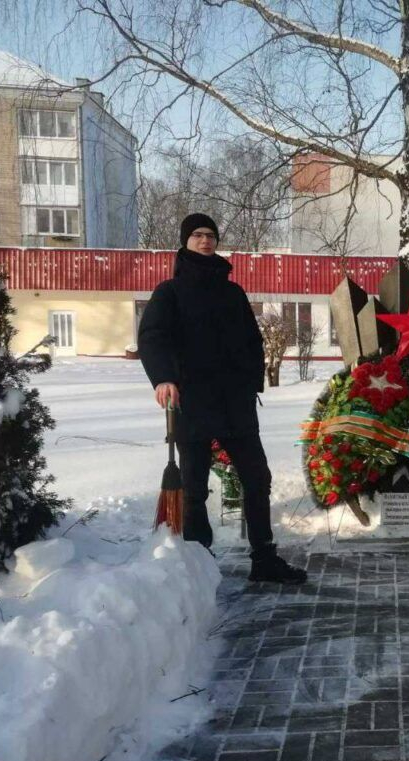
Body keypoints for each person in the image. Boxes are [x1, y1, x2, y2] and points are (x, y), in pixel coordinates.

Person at [138, 213, 307, 584]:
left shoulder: (233, 293)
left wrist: (251, 381)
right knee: (194, 485)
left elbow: (252, 339)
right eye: (197, 234)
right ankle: (199, 561)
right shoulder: (169, 292)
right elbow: (152, 337)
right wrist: (163, 377)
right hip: (192, 402)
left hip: (234, 402)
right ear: (185, 241)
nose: (205, 240)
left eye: (211, 235)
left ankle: (264, 558)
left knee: (257, 477)